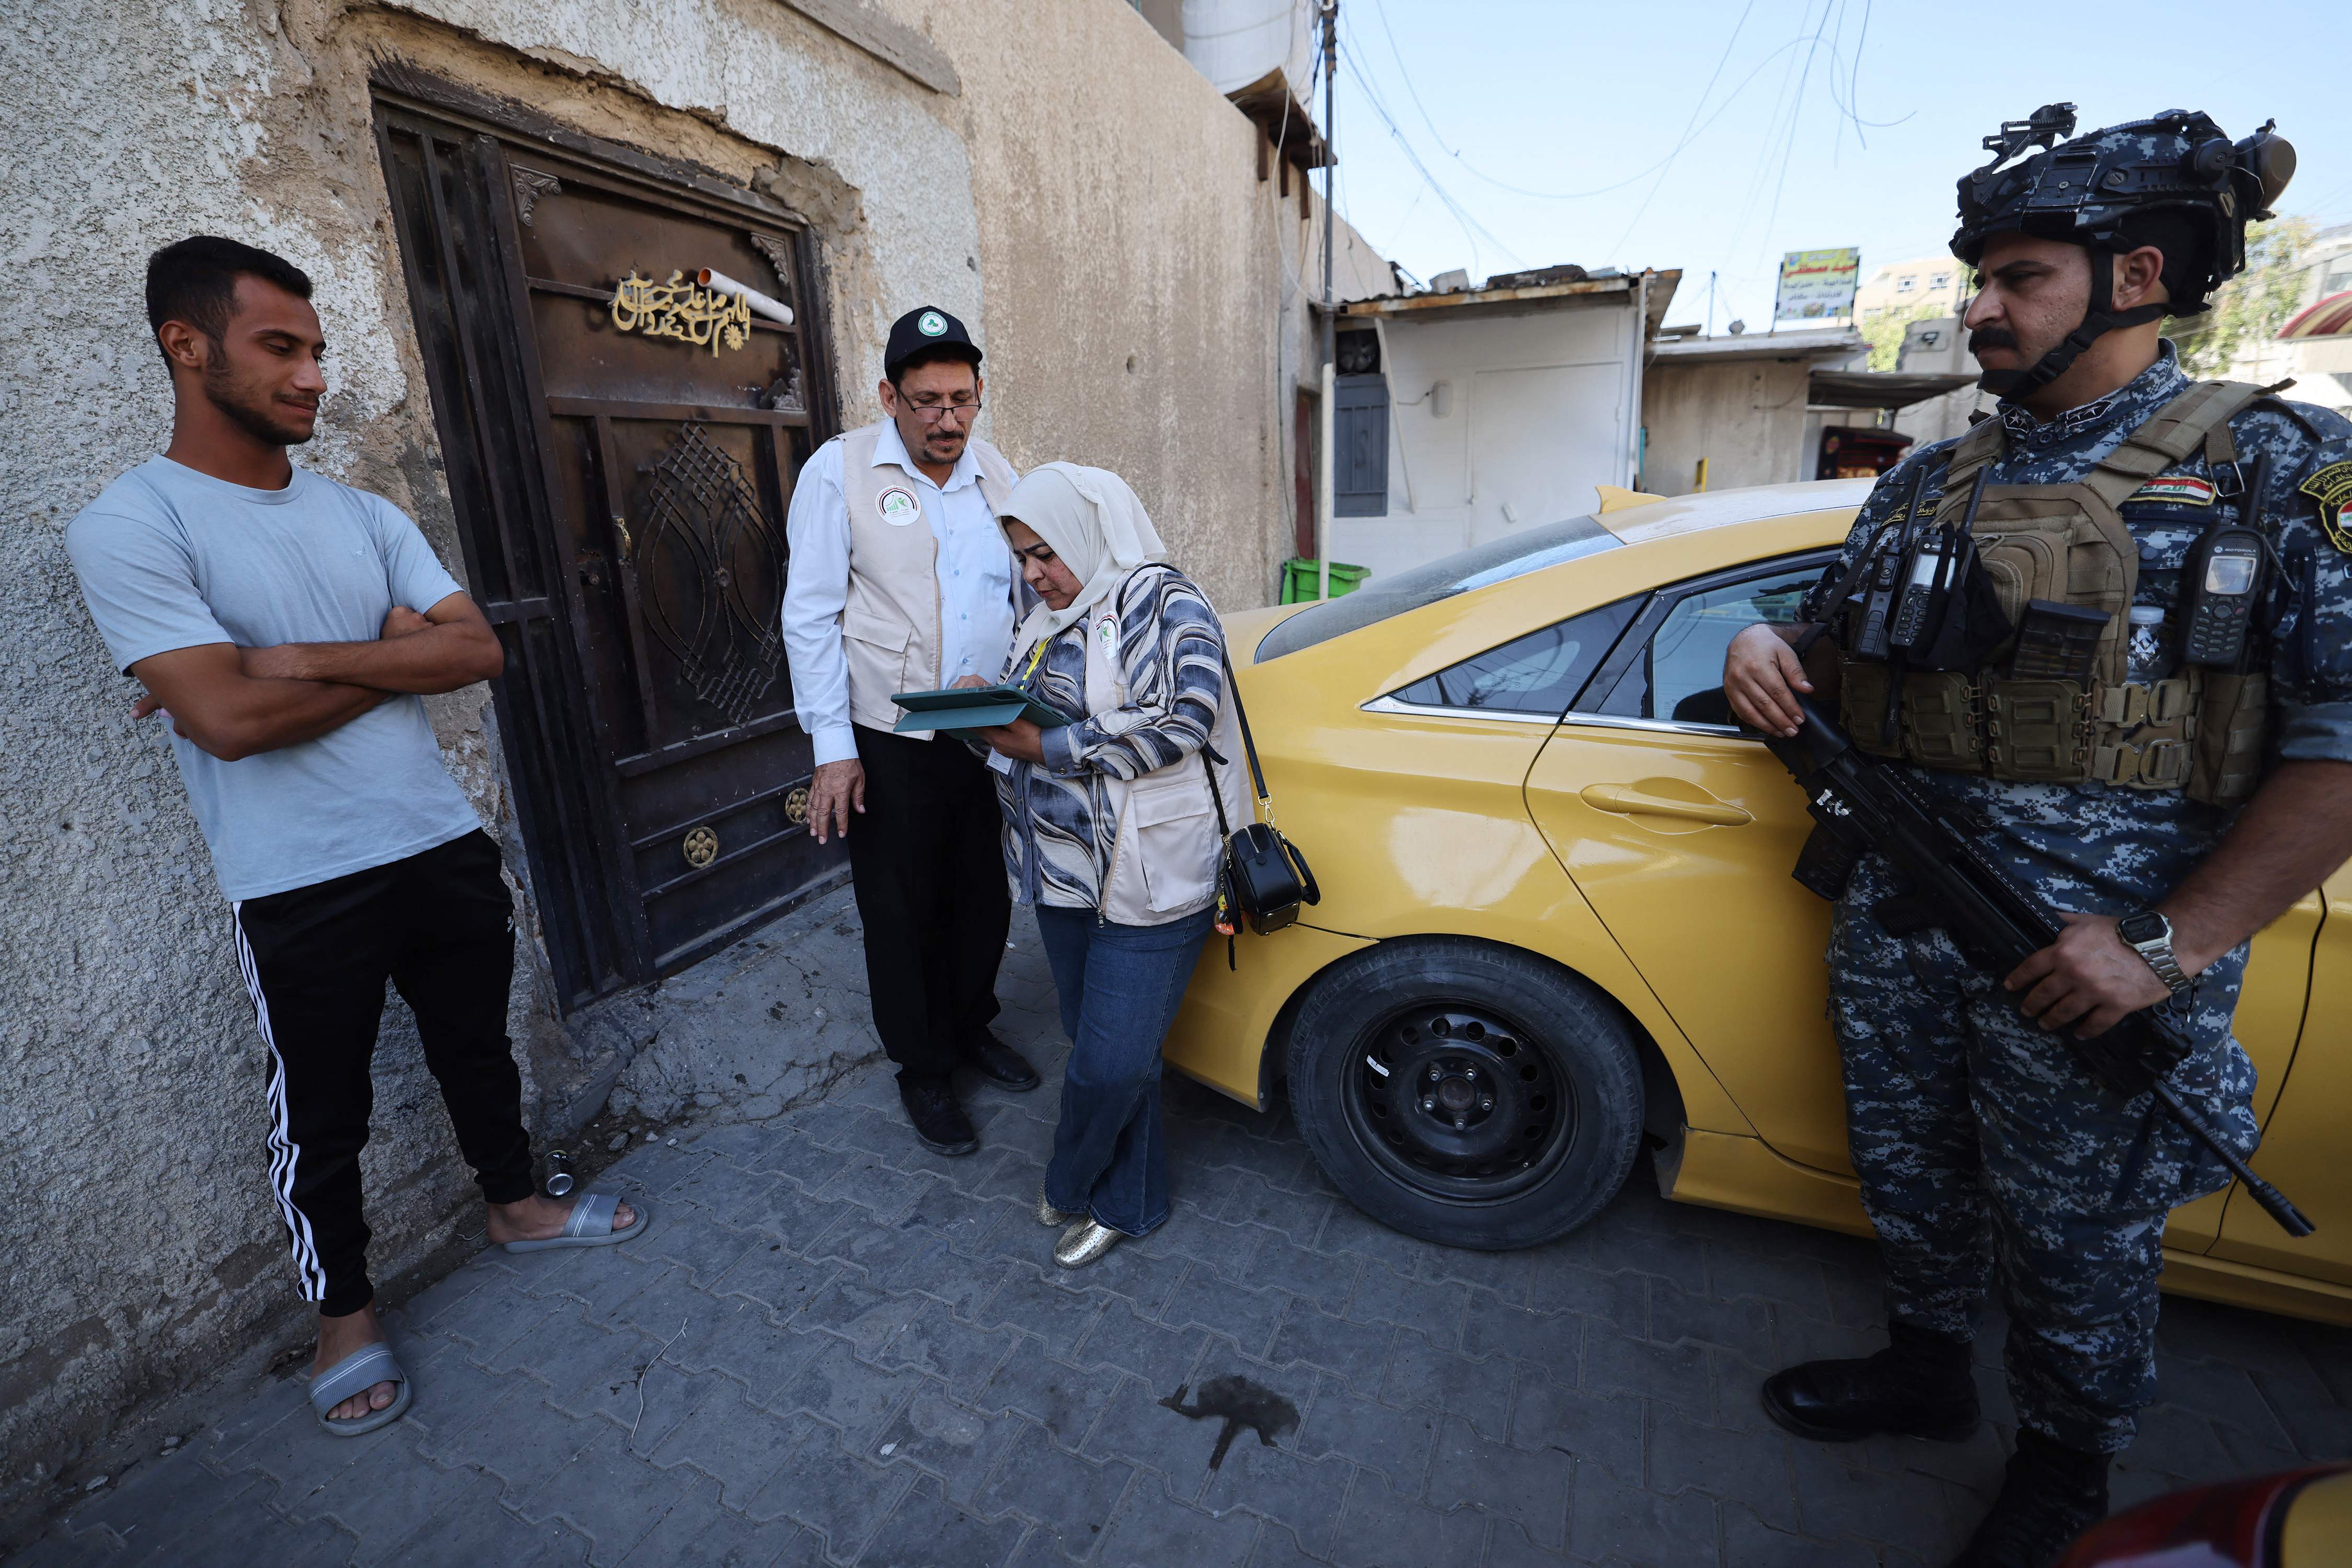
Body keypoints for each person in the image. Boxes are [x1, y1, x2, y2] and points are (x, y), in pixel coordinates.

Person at [1722, 109, 2352, 1568]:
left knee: (2075, 1237)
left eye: (2018, 280)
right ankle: (1927, 1368)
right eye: (1979, 281)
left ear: (2134, 275)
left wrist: (2167, 944)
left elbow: (2343, 738)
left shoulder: (2280, 469)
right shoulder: (1923, 477)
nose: (1976, 310)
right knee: (1912, 1166)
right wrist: (1773, 648)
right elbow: (1831, 638)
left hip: (2093, 957)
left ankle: (2066, 1466)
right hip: (1903, 918)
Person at [64, 237, 642, 1439]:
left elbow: (477, 649)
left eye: (317, 350)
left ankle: (515, 1205)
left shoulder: (365, 511)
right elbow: (226, 722)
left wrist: (302, 659)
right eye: (281, 347)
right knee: (320, 1119)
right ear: (187, 345)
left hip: (435, 839)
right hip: (295, 877)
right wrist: (390, 661)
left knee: (478, 1053)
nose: (314, 375)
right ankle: (344, 1318)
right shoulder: (132, 524)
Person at [963, 465, 1244, 1268]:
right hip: (1061, 875)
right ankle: (1134, 1201)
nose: (1033, 574)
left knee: (1110, 1062)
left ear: (1090, 533)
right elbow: (1040, 708)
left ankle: (1071, 1175)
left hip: (1151, 875)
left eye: (1045, 553)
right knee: (1102, 1045)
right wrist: (986, 706)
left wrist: (1049, 745)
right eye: (1022, 557)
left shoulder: (1165, 599)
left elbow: (1185, 717)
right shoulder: (1048, 615)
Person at [780, 307, 1038, 1156]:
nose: (946, 419)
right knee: (900, 909)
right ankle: (923, 1069)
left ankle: (970, 1028)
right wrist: (833, 751)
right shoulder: (840, 471)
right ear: (890, 397)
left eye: (961, 399)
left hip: (985, 729)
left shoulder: (996, 473)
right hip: (889, 735)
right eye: (926, 400)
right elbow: (810, 618)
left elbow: (1027, 593)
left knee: (982, 895)